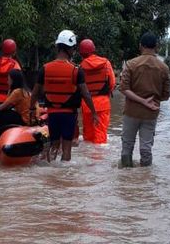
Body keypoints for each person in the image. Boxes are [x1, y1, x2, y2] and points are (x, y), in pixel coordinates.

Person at [30, 30, 98, 162]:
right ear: (70, 48)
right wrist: (94, 112)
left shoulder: (45, 68)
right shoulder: (76, 70)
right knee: (66, 148)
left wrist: (32, 109)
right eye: (73, 48)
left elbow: (35, 93)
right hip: (68, 115)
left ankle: (52, 172)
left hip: (52, 114)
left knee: (54, 146)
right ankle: (63, 177)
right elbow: (86, 94)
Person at [119, 32, 170, 167]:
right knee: (146, 147)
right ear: (157, 47)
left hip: (131, 111)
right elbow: (166, 95)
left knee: (127, 146)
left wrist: (141, 101)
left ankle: (125, 179)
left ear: (140, 46)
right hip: (151, 112)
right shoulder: (164, 68)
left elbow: (124, 89)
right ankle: (145, 179)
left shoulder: (131, 64)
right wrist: (150, 100)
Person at [78, 39, 116, 144]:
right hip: (103, 104)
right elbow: (112, 83)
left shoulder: (81, 67)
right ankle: (99, 159)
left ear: (81, 53)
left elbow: (79, 88)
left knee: (88, 137)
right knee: (101, 137)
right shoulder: (106, 63)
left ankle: (88, 159)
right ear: (94, 49)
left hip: (87, 105)